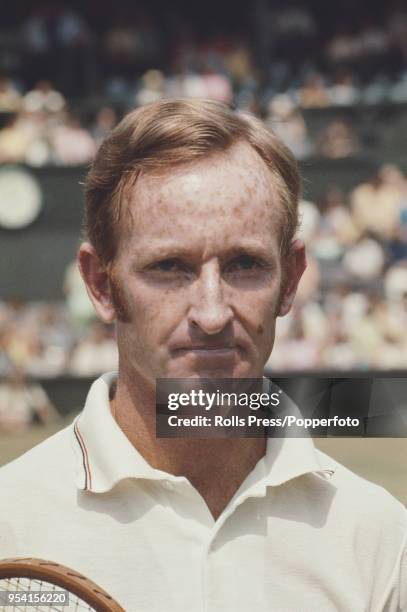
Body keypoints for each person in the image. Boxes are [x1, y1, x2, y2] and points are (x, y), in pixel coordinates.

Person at [0, 99, 405, 611]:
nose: (212, 313)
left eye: (244, 264)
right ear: (101, 284)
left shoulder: (379, 539)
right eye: (170, 267)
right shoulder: (10, 519)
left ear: (291, 279)